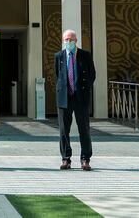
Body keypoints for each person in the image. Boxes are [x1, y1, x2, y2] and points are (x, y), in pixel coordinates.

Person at [54, 29, 96, 171]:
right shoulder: (59, 56)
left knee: (84, 129)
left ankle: (85, 159)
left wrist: (84, 89)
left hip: (81, 97)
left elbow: (92, 75)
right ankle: (66, 159)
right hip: (64, 98)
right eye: (66, 39)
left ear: (76, 41)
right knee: (63, 130)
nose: (68, 42)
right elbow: (57, 75)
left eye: (71, 39)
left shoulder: (85, 55)